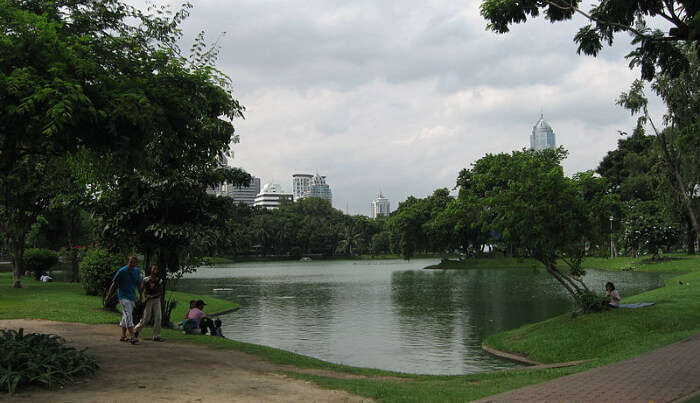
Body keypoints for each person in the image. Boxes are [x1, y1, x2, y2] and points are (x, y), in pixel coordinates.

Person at [105, 256, 143, 344]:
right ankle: (133, 336)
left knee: (126, 315)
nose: (132, 264)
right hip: (123, 296)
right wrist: (108, 296)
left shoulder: (137, 271)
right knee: (129, 315)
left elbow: (139, 284)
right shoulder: (122, 271)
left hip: (132, 296)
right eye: (130, 262)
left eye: (134, 263)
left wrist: (141, 295)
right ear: (127, 262)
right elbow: (114, 284)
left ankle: (123, 335)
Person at [134, 265, 165, 342]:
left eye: (157, 269)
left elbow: (161, 292)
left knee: (158, 318)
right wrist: (142, 296)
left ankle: (156, 336)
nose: (155, 270)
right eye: (154, 268)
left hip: (156, 300)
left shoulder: (159, 280)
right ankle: (136, 330)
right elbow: (141, 290)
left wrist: (152, 296)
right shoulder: (146, 279)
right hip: (148, 301)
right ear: (150, 270)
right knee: (146, 319)